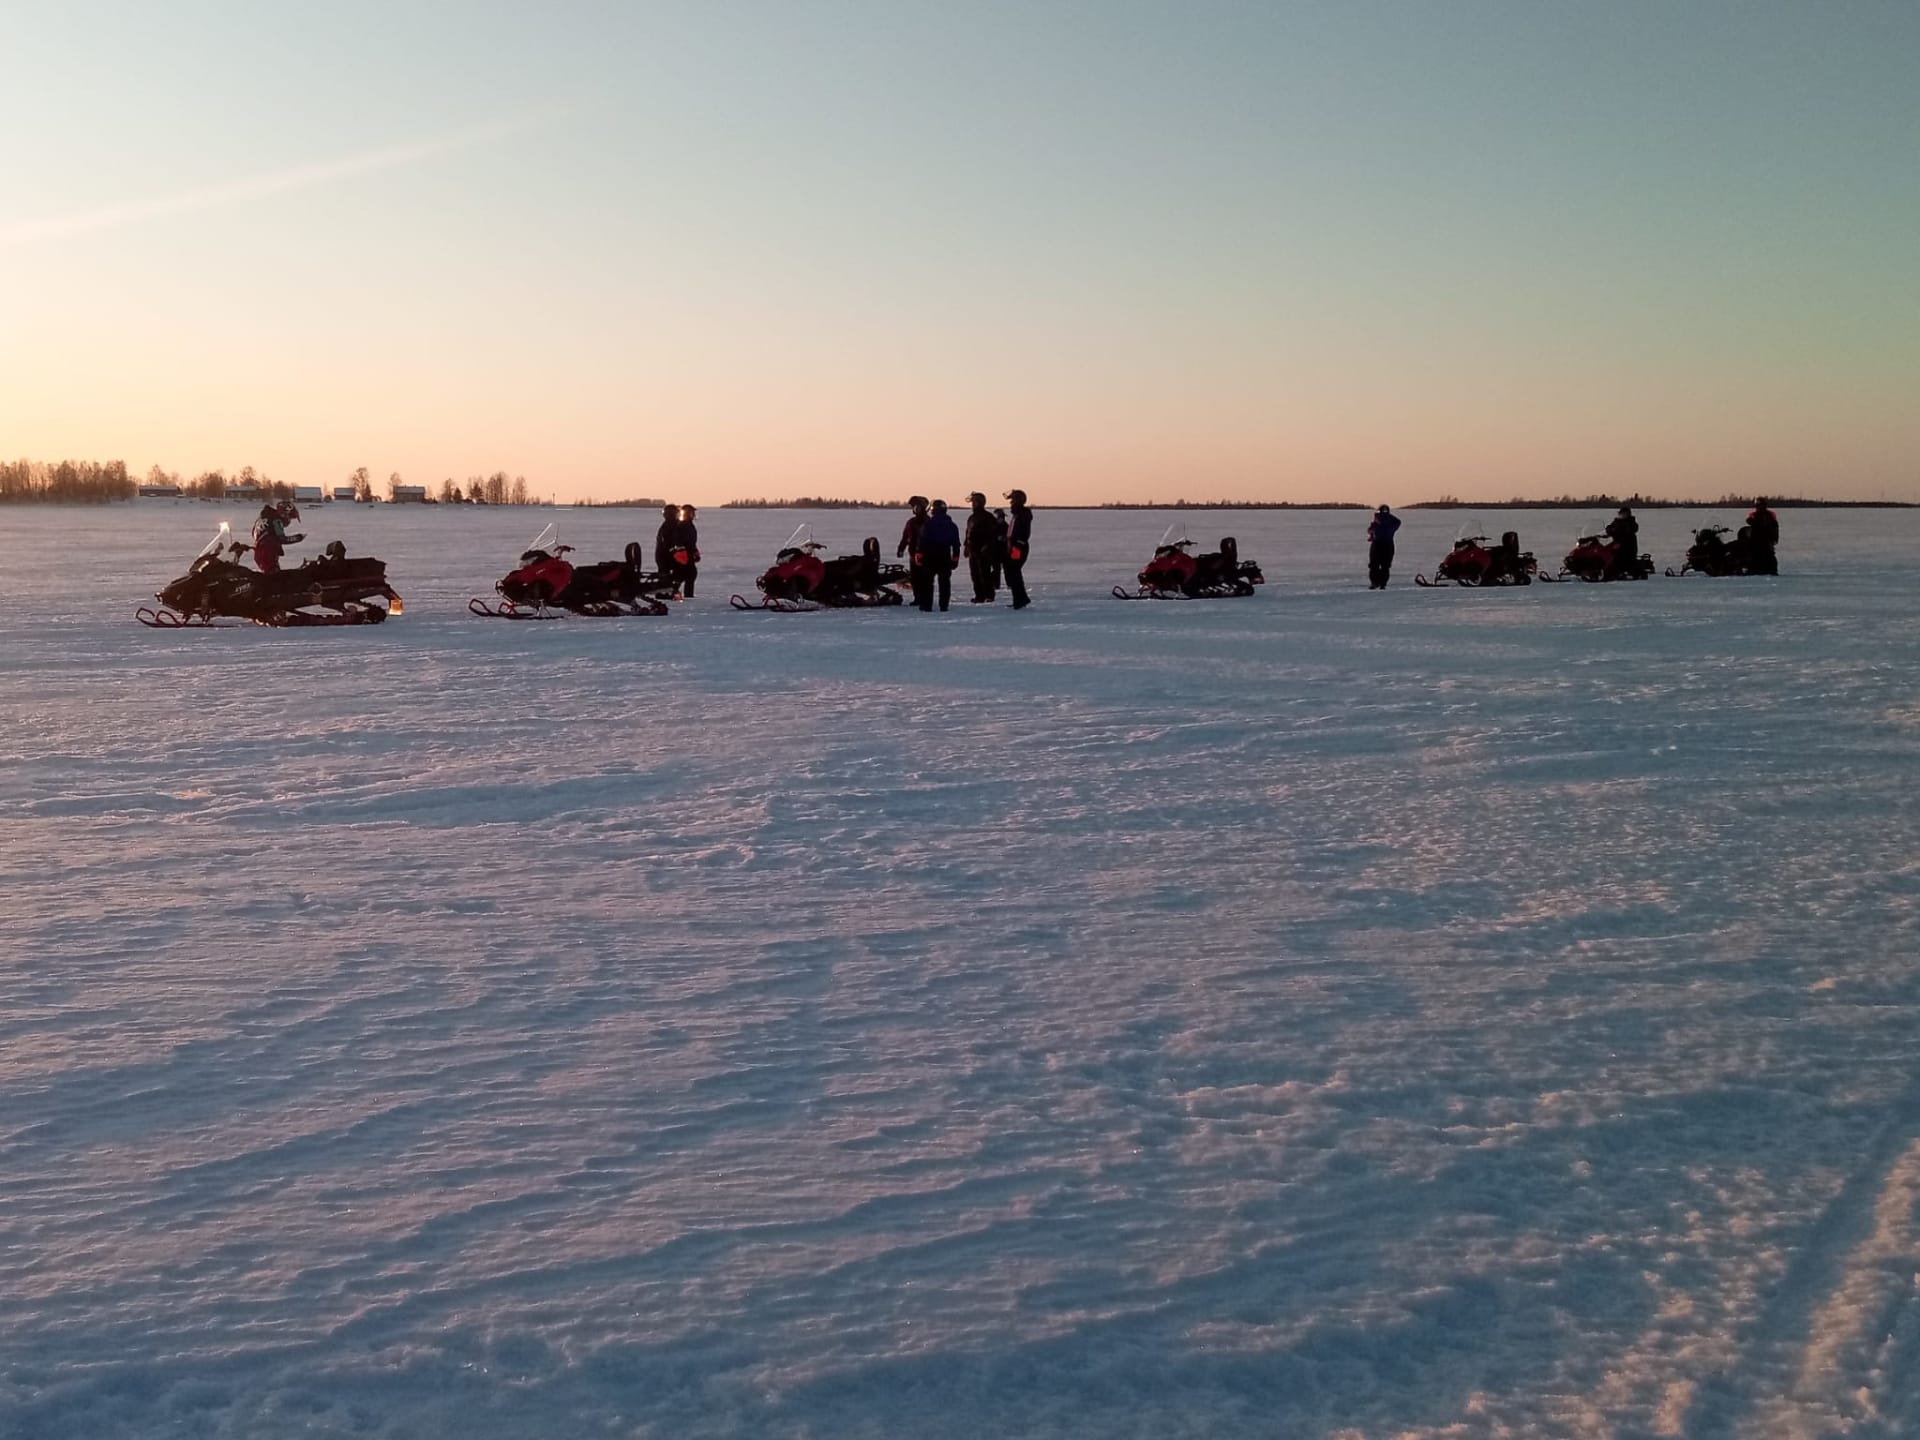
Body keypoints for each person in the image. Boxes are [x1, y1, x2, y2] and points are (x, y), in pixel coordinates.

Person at [919, 499, 961, 611]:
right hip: (945, 555)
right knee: (944, 582)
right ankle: (944, 606)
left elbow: (922, 541)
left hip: (930, 555)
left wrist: (919, 554)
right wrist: (955, 558)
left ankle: (927, 605)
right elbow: (956, 544)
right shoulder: (952, 525)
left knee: (928, 582)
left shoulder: (928, 524)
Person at [964, 492, 1003, 603]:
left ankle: (989, 595)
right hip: (973, 550)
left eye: (974, 502)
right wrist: (966, 546)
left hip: (984, 550)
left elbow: (993, 534)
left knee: (984, 573)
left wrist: (988, 547)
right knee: (975, 574)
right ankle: (979, 595)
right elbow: (968, 533)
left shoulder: (988, 517)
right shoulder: (971, 518)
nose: (973, 504)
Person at [898, 496, 931, 610]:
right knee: (915, 578)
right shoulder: (911, 522)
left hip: (927, 554)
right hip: (913, 554)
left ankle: (925, 598)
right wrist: (901, 548)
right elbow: (906, 537)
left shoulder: (929, 522)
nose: (915, 509)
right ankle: (918, 598)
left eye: (917, 507)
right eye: (914, 507)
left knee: (925, 578)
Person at [251, 500, 302, 573]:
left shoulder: (264, 517)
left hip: (260, 551)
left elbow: (254, 533)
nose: (289, 521)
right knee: (274, 578)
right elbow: (282, 539)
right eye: (290, 517)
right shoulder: (276, 520)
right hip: (268, 552)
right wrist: (297, 538)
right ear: (284, 514)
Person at [1003, 489, 1032, 608]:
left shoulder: (1023, 514)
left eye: (1013, 500)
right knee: (1012, 572)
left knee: (1014, 572)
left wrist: (1016, 544)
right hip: (1013, 546)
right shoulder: (1016, 514)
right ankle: (1020, 598)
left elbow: (1023, 532)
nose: (1011, 503)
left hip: (1018, 547)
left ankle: (1020, 600)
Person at [1366, 505, 1400, 589]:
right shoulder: (1392, 520)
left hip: (1377, 544)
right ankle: (1382, 583)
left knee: (1374, 565)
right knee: (1385, 565)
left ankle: (1375, 582)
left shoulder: (1376, 519)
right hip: (1388, 544)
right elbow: (1398, 522)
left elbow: (1370, 530)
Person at [1747, 496, 1780, 575]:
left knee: (1768, 555)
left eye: (1761, 505)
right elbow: (1749, 520)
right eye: (1758, 505)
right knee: (1753, 554)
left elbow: (1775, 526)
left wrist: (1774, 538)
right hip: (1756, 538)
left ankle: (1770, 570)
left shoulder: (1770, 515)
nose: (1759, 507)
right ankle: (1753, 569)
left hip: (1766, 538)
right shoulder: (1753, 514)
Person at [1604, 505, 1640, 578]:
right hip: (1617, 543)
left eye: (1624, 514)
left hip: (1628, 545)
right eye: (1621, 513)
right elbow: (1609, 527)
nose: (1622, 515)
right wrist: (1610, 530)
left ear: (1628, 514)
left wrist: (1622, 529)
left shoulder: (1631, 522)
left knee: (1621, 557)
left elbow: (1633, 529)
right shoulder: (1617, 521)